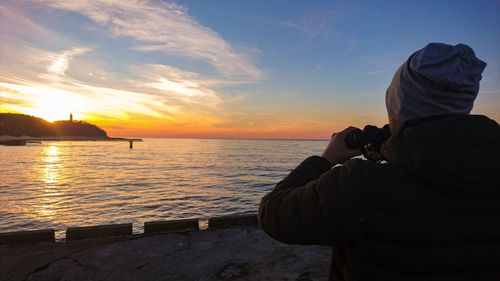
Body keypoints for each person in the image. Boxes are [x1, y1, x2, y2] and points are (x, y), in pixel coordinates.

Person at [258, 43, 500, 281]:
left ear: (398, 106)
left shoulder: (362, 185)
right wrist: (393, 151)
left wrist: (327, 159)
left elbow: (274, 213)